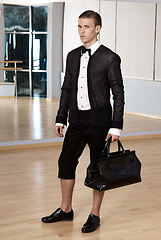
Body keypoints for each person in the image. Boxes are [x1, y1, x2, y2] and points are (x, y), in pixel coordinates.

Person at [41, 10, 124, 233]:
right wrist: (60, 118)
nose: (81, 31)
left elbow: (118, 94)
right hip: (76, 120)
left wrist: (116, 125)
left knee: (98, 167)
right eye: (79, 26)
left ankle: (94, 214)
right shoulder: (72, 56)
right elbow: (67, 88)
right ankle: (66, 210)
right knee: (66, 162)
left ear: (97, 29)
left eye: (86, 27)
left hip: (100, 122)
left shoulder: (110, 58)